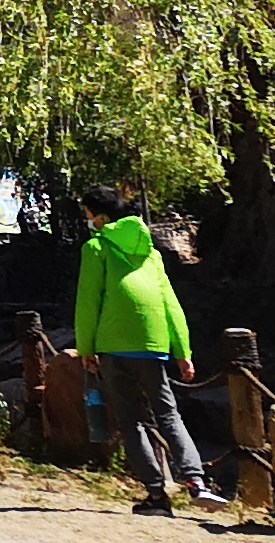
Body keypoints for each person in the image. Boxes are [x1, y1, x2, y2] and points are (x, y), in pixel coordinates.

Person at [77, 186, 230, 512]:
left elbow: (88, 302)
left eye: (88, 214)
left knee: (131, 422)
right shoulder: (151, 252)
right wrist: (183, 352)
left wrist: (85, 348)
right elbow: (170, 304)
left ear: (101, 218)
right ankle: (196, 482)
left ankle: (157, 495)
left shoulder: (96, 248)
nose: (87, 221)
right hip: (153, 344)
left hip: (113, 346)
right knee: (169, 416)